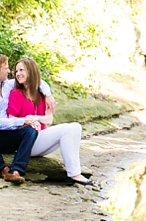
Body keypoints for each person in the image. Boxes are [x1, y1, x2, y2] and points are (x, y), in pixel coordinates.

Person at [8, 57, 93, 186]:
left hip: (41, 139)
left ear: (31, 71)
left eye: (21, 70)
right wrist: (27, 121)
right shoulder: (16, 93)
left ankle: (74, 173)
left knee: (76, 127)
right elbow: (11, 119)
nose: (18, 74)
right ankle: (74, 174)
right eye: (16, 71)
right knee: (66, 129)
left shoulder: (42, 94)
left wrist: (35, 118)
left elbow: (49, 119)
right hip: (26, 142)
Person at [0, 53, 56, 184]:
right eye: (6, 68)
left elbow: (36, 81)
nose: (10, 71)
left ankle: (16, 170)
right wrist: (24, 120)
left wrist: (48, 95)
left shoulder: (8, 85)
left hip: (7, 137)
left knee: (30, 130)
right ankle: (2, 169)